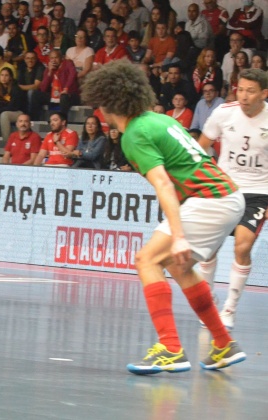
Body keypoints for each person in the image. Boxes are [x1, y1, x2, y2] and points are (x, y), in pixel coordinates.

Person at [81, 59, 246, 374]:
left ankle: (170, 348)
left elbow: (164, 184)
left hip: (209, 200)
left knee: (147, 261)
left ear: (107, 103)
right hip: (227, 196)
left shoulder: (133, 135)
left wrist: (179, 235)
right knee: (178, 266)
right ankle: (224, 343)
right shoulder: (159, 119)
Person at [196, 69, 268, 330]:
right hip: (224, 188)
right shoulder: (224, 112)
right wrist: (203, 176)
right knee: (209, 248)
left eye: (251, 91)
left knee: (242, 247)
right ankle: (210, 304)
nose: (244, 95)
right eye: (241, 89)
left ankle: (230, 309)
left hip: (259, 193)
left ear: (264, 93)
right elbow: (201, 146)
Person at [30, 50, 78, 120]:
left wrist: (66, 88)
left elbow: (73, 74)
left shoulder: (68, 63)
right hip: (54, 95)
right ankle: (35, 121)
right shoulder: (49, 68)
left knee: (64, 97)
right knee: (35, 94)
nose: (54, 60)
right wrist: (49, 72)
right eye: (52, 58)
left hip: (69, 94)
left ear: (61, 58)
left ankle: (62, 121)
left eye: (56, 58)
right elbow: (43, 88)